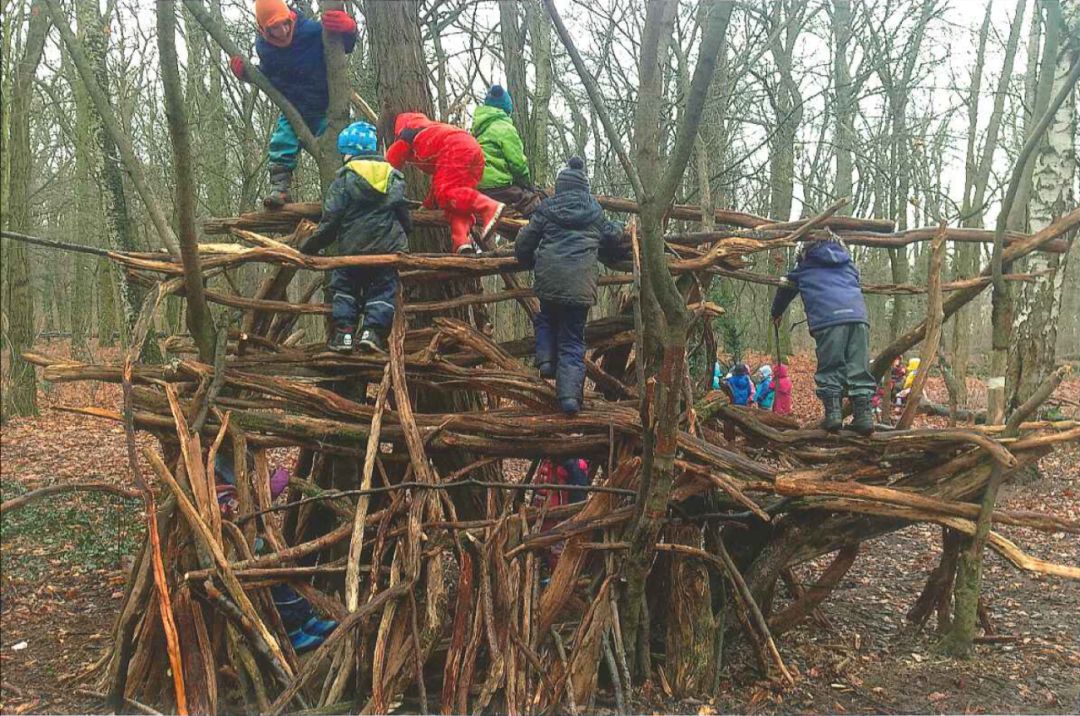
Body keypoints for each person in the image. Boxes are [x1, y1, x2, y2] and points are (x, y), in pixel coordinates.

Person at [514, 157, 625, 414]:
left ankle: (546, 361)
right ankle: (569, 399)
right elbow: (611, 235)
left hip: (549, 279)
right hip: (579, 286)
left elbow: (525, 241)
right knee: (572, 340)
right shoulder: (594, 210)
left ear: (560, 186)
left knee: (546, 319)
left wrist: (526, 260)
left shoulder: (547, 208)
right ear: (584, 187)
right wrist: (621, 227)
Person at [229, 0, 357, 208]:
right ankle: (280, 190)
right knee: (281, 142)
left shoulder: (312, 31)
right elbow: (268, 76)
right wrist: (247, 75)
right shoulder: (264, 48)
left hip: (325, 106)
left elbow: (344, 48)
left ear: (291, 18)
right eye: (274, 28)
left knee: (340, 146)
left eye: (285, 23)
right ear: (263, 30)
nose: (282, 31)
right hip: (294, 108)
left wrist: (349, 30)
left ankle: (349, 188)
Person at [301, 122, 411, 354]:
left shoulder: (343, 180)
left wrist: (311, 245)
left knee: (344, 288)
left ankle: (345, 336)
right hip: (387, 251)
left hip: (352, 250)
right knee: (382, 290)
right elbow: (403, 215)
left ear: (350, 151)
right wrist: (404, 237)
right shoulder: (394, 178)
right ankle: (372, 333)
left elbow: (331, 219)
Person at [214, 454, 337, 653]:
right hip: (242, 555)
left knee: (287, 574)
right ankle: (292, 631)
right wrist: (269, 489)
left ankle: (307, 619)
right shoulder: (221, 496)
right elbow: (244, 511)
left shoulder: (232, 489)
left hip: (258, 546)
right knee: (276, 584)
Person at [771, 237, 875, 435]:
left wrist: (776, 312)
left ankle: (833, 416)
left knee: (831, 366)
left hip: (829, 320)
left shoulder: (805, 266)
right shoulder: (848, 265)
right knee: (859, 367)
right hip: (859, 319)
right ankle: (864, 418)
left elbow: (785, 287)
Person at [386, 112, 505, 254]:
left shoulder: (407, 133)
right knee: (455, 203)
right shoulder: (432, 131)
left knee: (446, 193)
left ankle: (488, 207)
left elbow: (389, 164)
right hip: (473, 149)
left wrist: (379, 177)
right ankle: (461, 242)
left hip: (456, 148)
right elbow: (439, 180)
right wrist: (428, 204)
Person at [471, 85, 543, 218]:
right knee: (532, 202)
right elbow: (517, 164)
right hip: (496, 186)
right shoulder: (504, 128)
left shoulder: (478, 127)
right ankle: (537, 235)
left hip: (476, 186)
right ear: (506, 109)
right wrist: (527, 184)